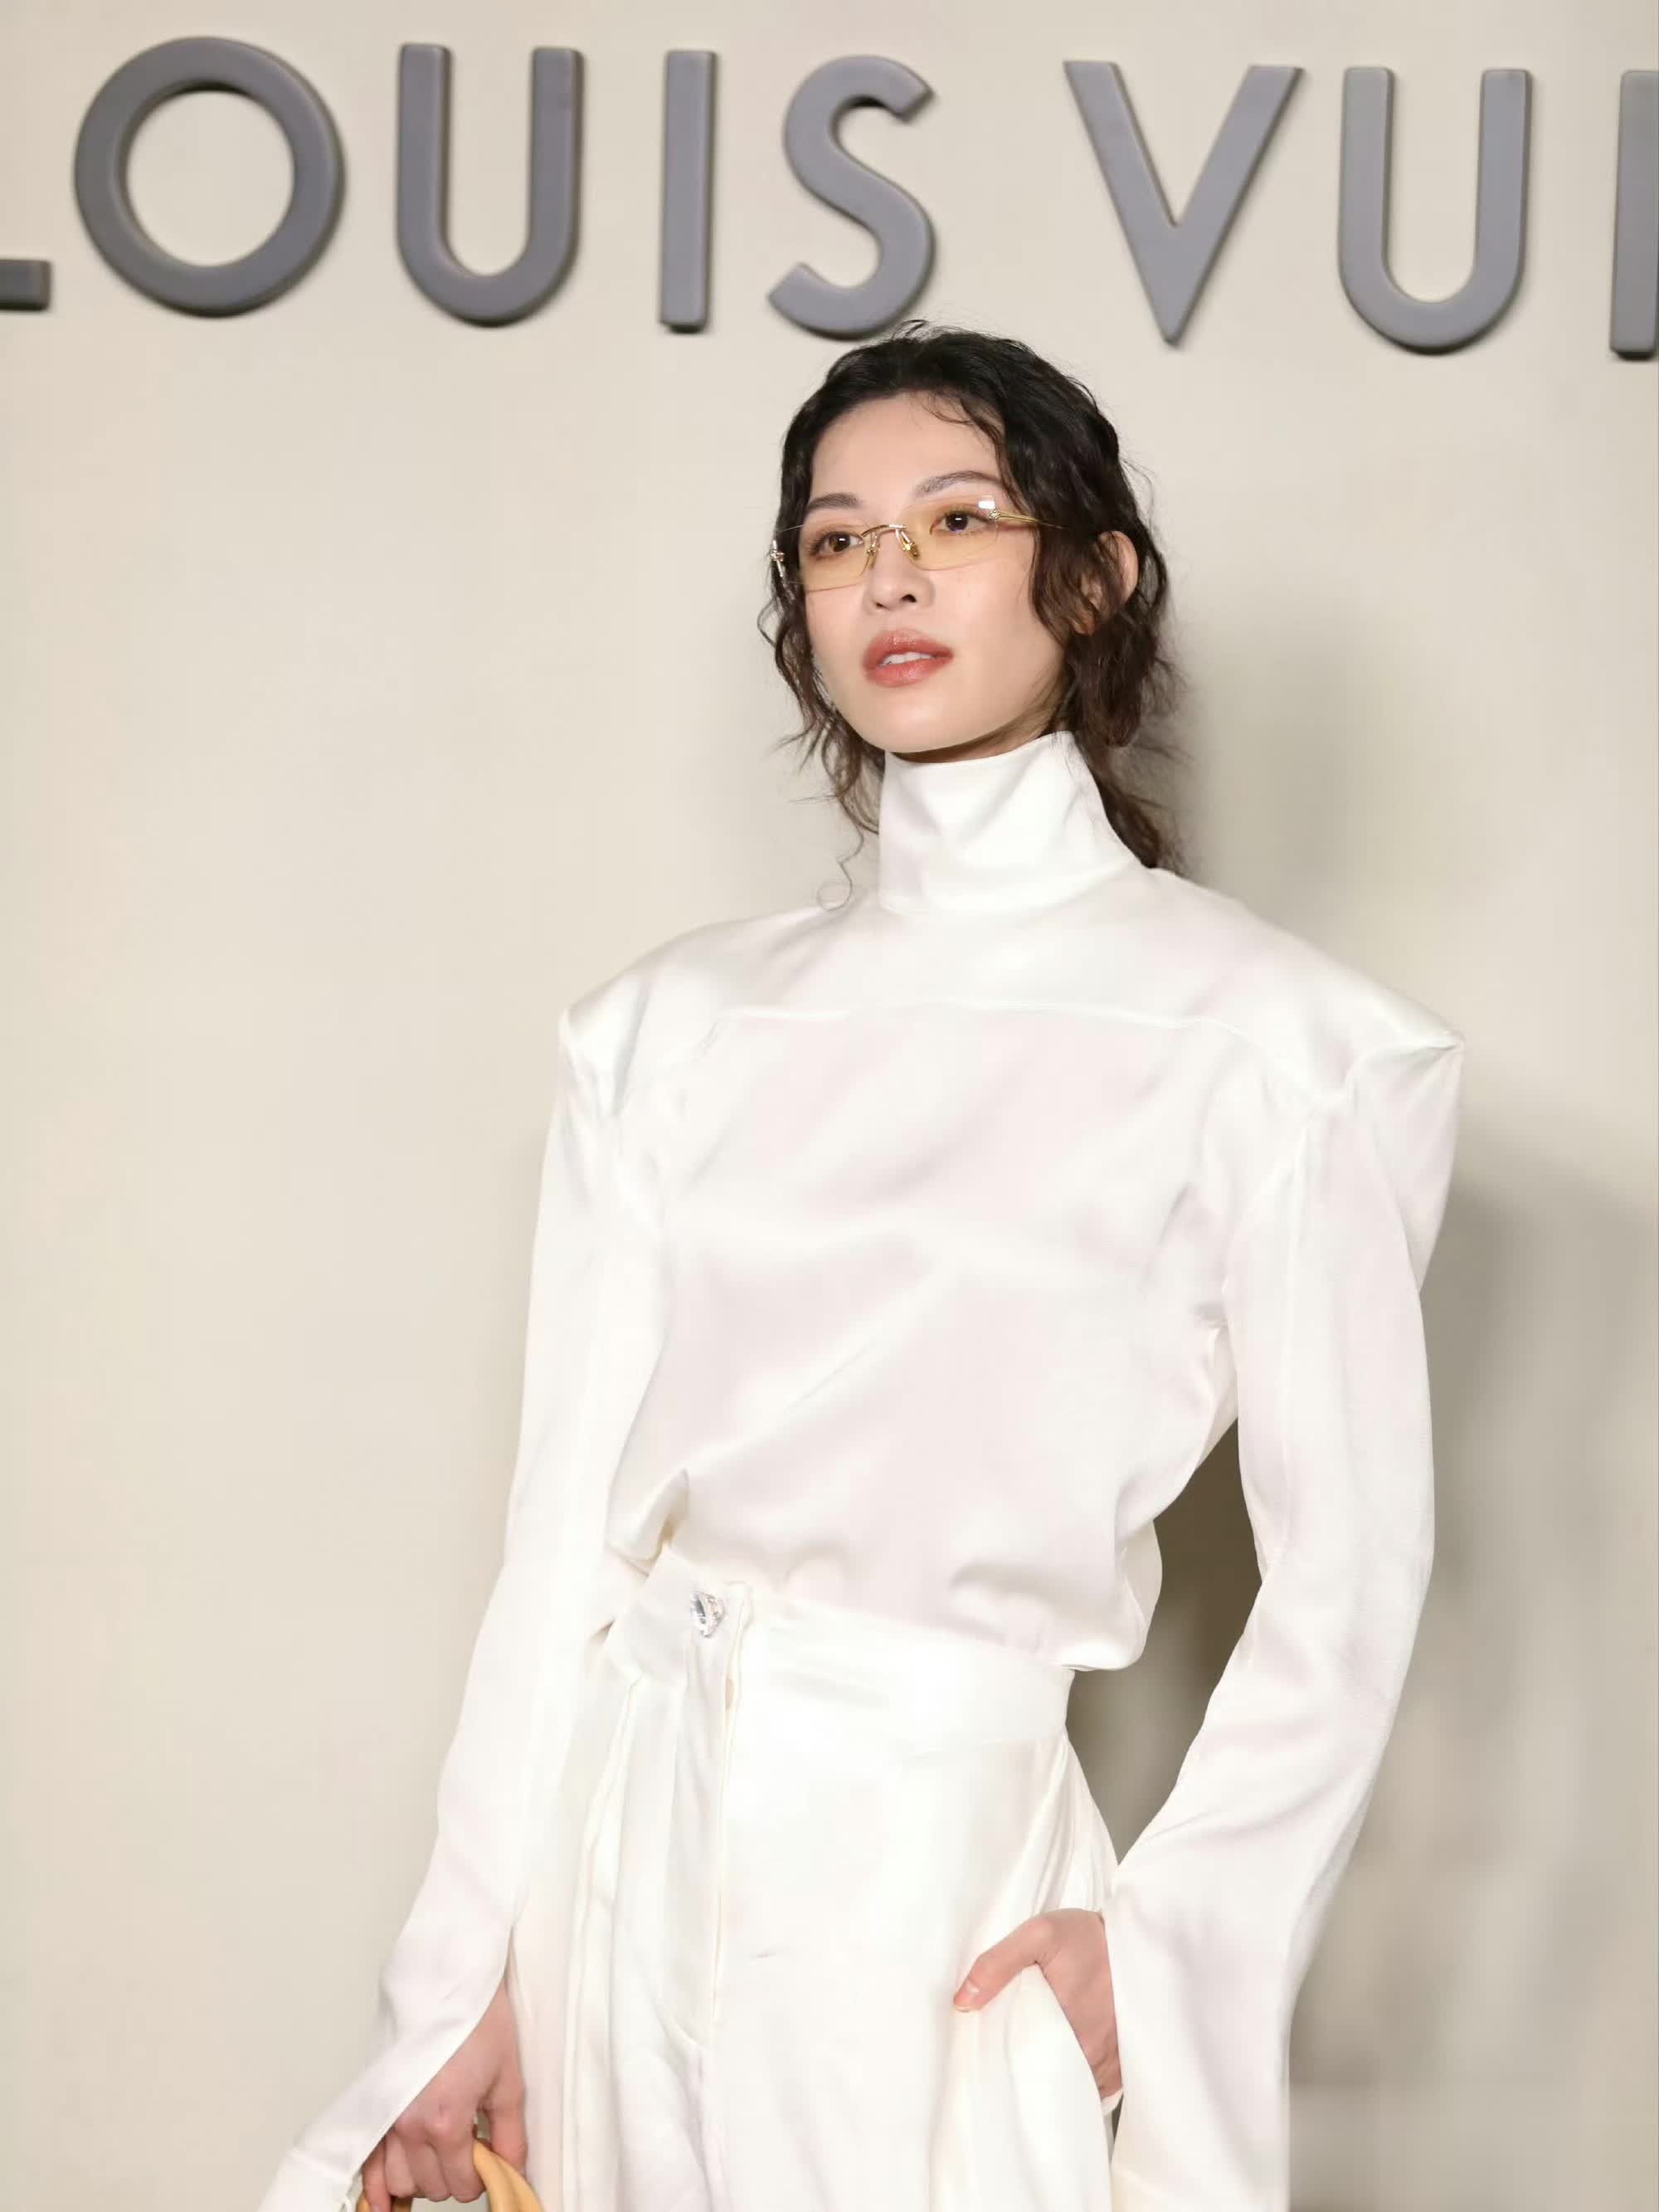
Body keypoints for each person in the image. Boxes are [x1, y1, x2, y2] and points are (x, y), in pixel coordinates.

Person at [255, 321, 1466, 2212]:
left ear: (1094, 577)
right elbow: (564, 1551)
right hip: (616, 1863)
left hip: (934, 1888)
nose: (890, 574)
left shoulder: (1283, 1048)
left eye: (957, 519)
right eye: (836, 540)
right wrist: (468, 1982)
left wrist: (1168, 1944)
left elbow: (1351, 1576)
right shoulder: (664, 1030)